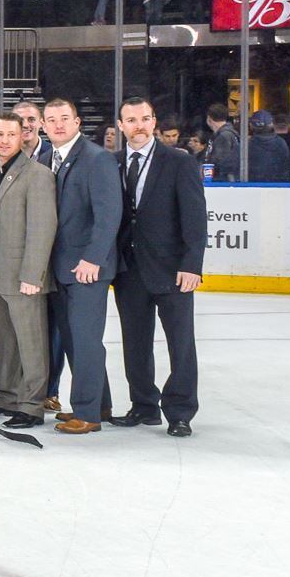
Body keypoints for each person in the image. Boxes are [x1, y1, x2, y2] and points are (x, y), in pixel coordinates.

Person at [108, 97, 206, 438]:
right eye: (131, 119)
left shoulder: (178, 162)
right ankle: (144, 405)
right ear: (120, 125)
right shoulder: (113, 163)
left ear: (154, 122)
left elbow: (195, 218)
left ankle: (180, 411)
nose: (139, 125)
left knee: (180, 343)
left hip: (172, 270)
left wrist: (192, 263)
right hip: (129, 270)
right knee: (134, 342)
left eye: (145, 118)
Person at [41, 97, 123, 435]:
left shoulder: (96, 158)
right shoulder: (47, 159)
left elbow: (108, 214)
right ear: (43, 126)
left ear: (77, 123)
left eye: (65, 118)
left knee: (86, 339)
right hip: (60, 267)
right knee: (75, 339)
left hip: (86, 267)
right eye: (51, 119)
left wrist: (94, 258)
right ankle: (99, 403)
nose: (58, 124)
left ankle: (87, 413)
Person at [0, 113, 55, 430]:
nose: (5, 140)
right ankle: (3, 395)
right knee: (1, 340)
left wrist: (33, 274)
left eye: (11, 134)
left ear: (22, 136)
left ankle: (31, 403)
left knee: (31, 341)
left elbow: (43, 227)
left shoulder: (38, 175)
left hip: (22, 275)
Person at [244, 110, 290, 181]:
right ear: (271, 124)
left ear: (251, 126)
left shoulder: (247, 144)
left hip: (252, 187)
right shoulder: (281, 143)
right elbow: (285, 169)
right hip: (278, 187)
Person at [205, 104, 240, 182]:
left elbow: (220, 161)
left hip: (221, 180)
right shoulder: (228, 133)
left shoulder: (223, 136)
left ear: (209, 118)